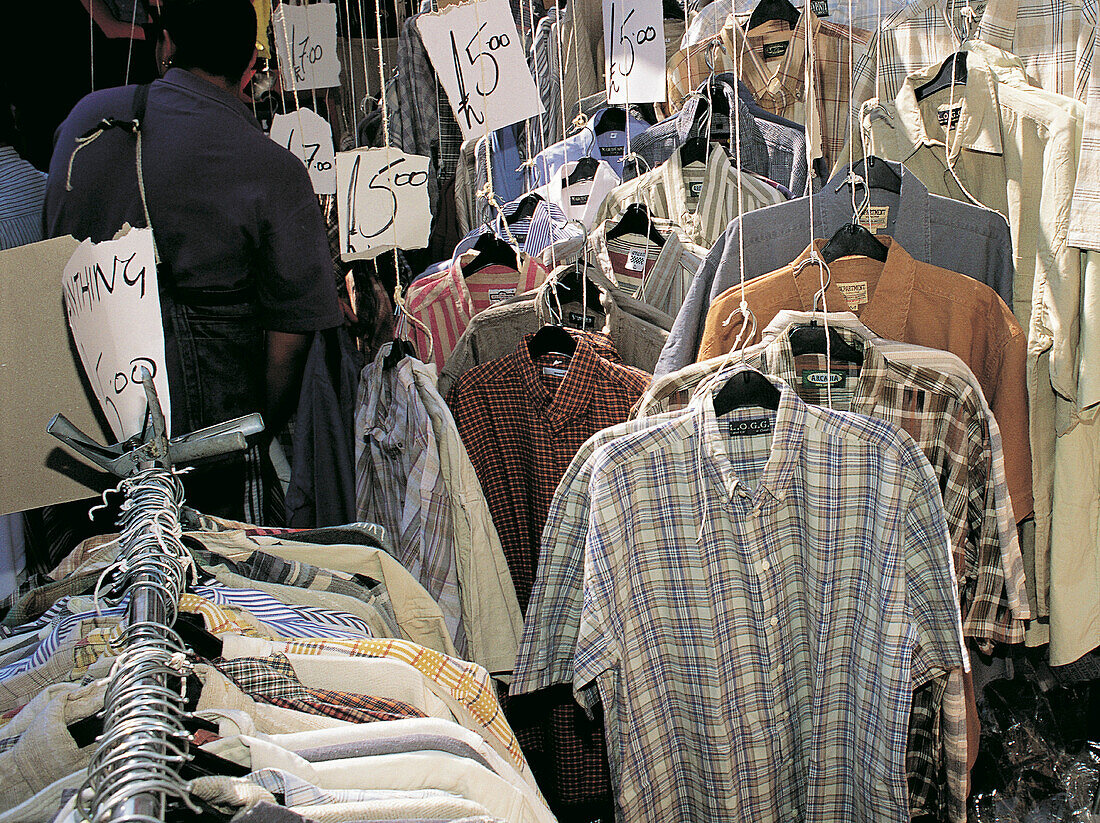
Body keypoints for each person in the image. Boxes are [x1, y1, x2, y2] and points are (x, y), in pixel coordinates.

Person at [44, 0, 342, 524]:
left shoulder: (87, 123)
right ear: (251, 66)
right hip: (206, 449)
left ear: (167, 48)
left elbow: (55, 252)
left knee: (91, 588)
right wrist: (255, 430)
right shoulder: (276, 171)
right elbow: (288, 343)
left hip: (83, 432)